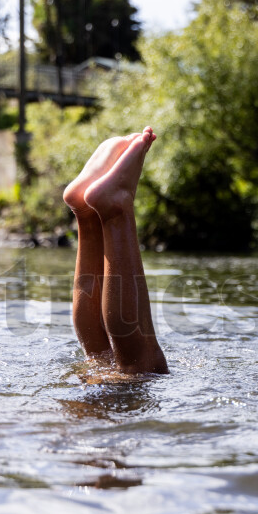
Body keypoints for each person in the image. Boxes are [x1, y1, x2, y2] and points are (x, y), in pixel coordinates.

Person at [62, 126, 168, 375]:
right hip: (91, 411)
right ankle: (111, 206)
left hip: (92, 404)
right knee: (137, 366)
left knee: (104, 361)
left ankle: (89, 214)